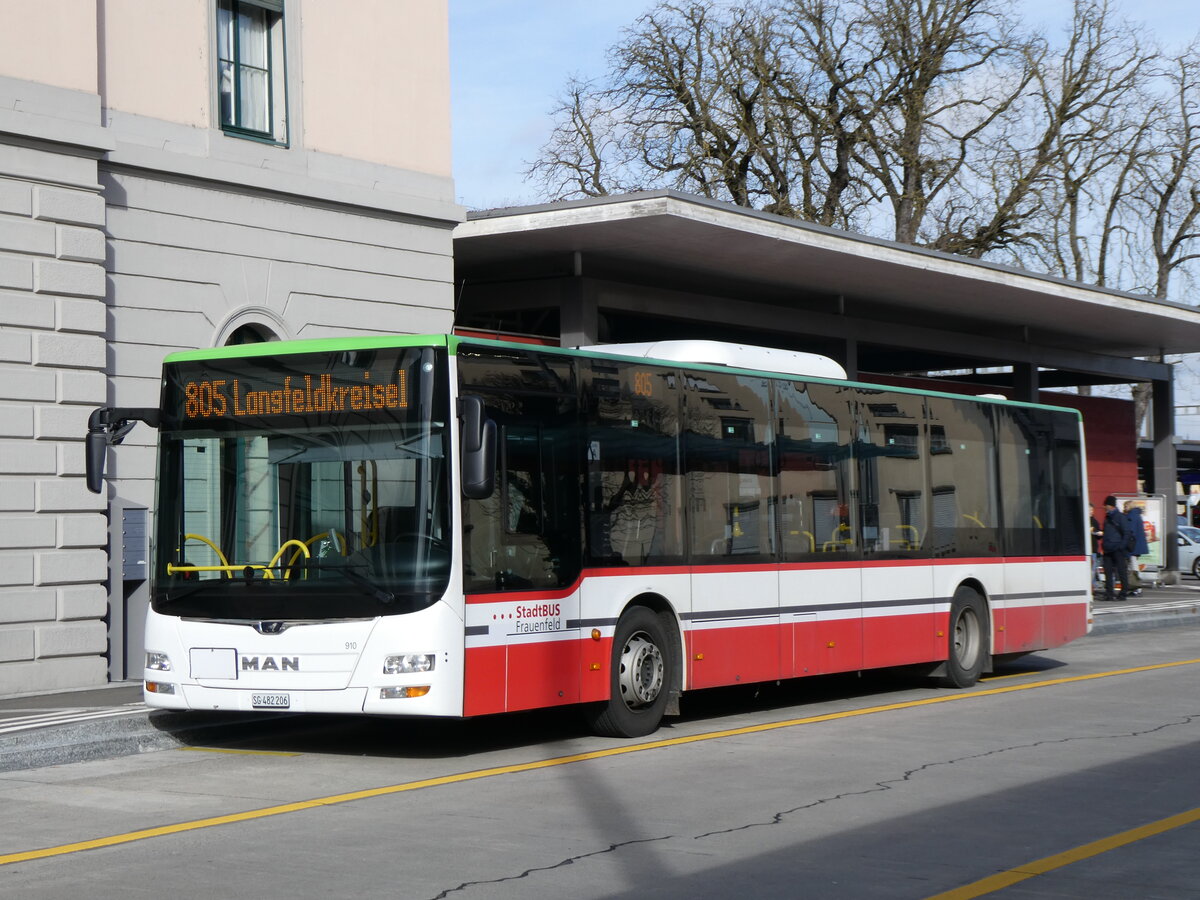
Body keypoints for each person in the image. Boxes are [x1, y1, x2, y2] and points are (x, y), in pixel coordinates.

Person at [1101, 495, 1133, 602]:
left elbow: (1126, 533)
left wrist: (1121, 546)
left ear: (1110, 506)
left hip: (1117, 548)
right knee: (1108, 572)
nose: (1104, 507)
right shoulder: (1107, 518)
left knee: (1121, 571)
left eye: (1106, 505)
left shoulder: (1120, 517)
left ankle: (1123, 592)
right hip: (1108, 548)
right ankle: (1109, 593)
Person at [1123, 501, 1150, 596]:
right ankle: (1135, 587)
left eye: (1125, 506)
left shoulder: (1131, 516)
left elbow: (1131, 532)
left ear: (1129, 506)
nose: (1124, 508)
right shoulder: (1137, 515)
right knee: (1134, 566)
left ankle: (1136, 587)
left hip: (1132, 546)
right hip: (1137, 545)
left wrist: (1125, 544)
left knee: (1133, 567)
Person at [1089, 504, 1103, 589]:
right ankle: (1092, 586)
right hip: (1086, 550)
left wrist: (1099, 533)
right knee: (1090, 570)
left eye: (1092, 510)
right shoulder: (1083, 520)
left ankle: (1093, 587)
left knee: (1092, 570)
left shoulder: (1094, 521)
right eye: (1089, 510)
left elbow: (1099, 535)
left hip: (1093, 549)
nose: (1091, 512)